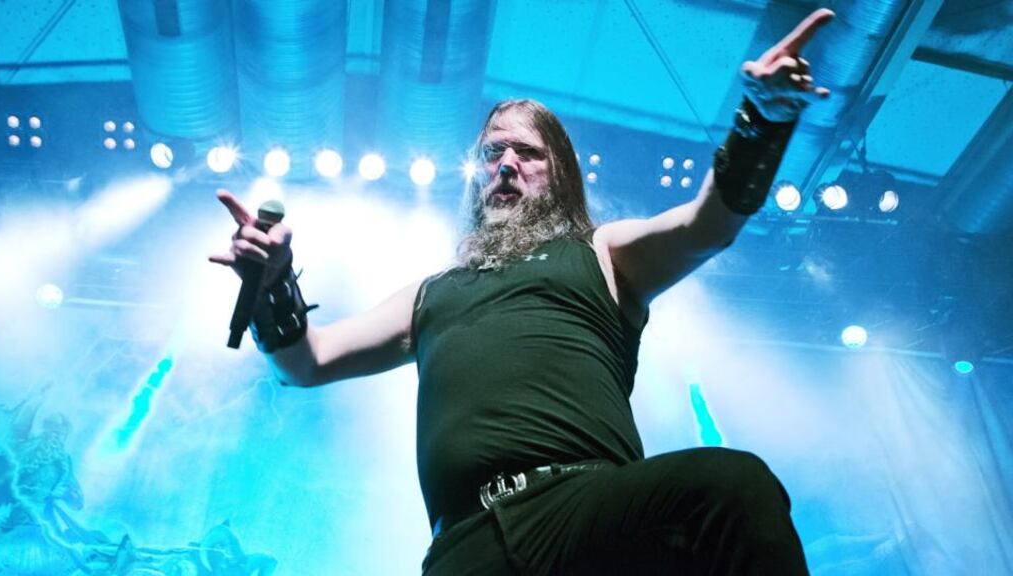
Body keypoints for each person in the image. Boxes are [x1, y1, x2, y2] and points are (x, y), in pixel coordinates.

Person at [210, 8, 835, 574]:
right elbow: (305, 363)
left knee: (731, 487)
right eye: (492, 152)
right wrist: (274, 287)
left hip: (587, 512)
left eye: (527, 153)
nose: (506, 163)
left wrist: (761, 124)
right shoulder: (429, 294)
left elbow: (707, 225)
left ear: (559, 174)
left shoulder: (600, 250)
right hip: (466, 543)